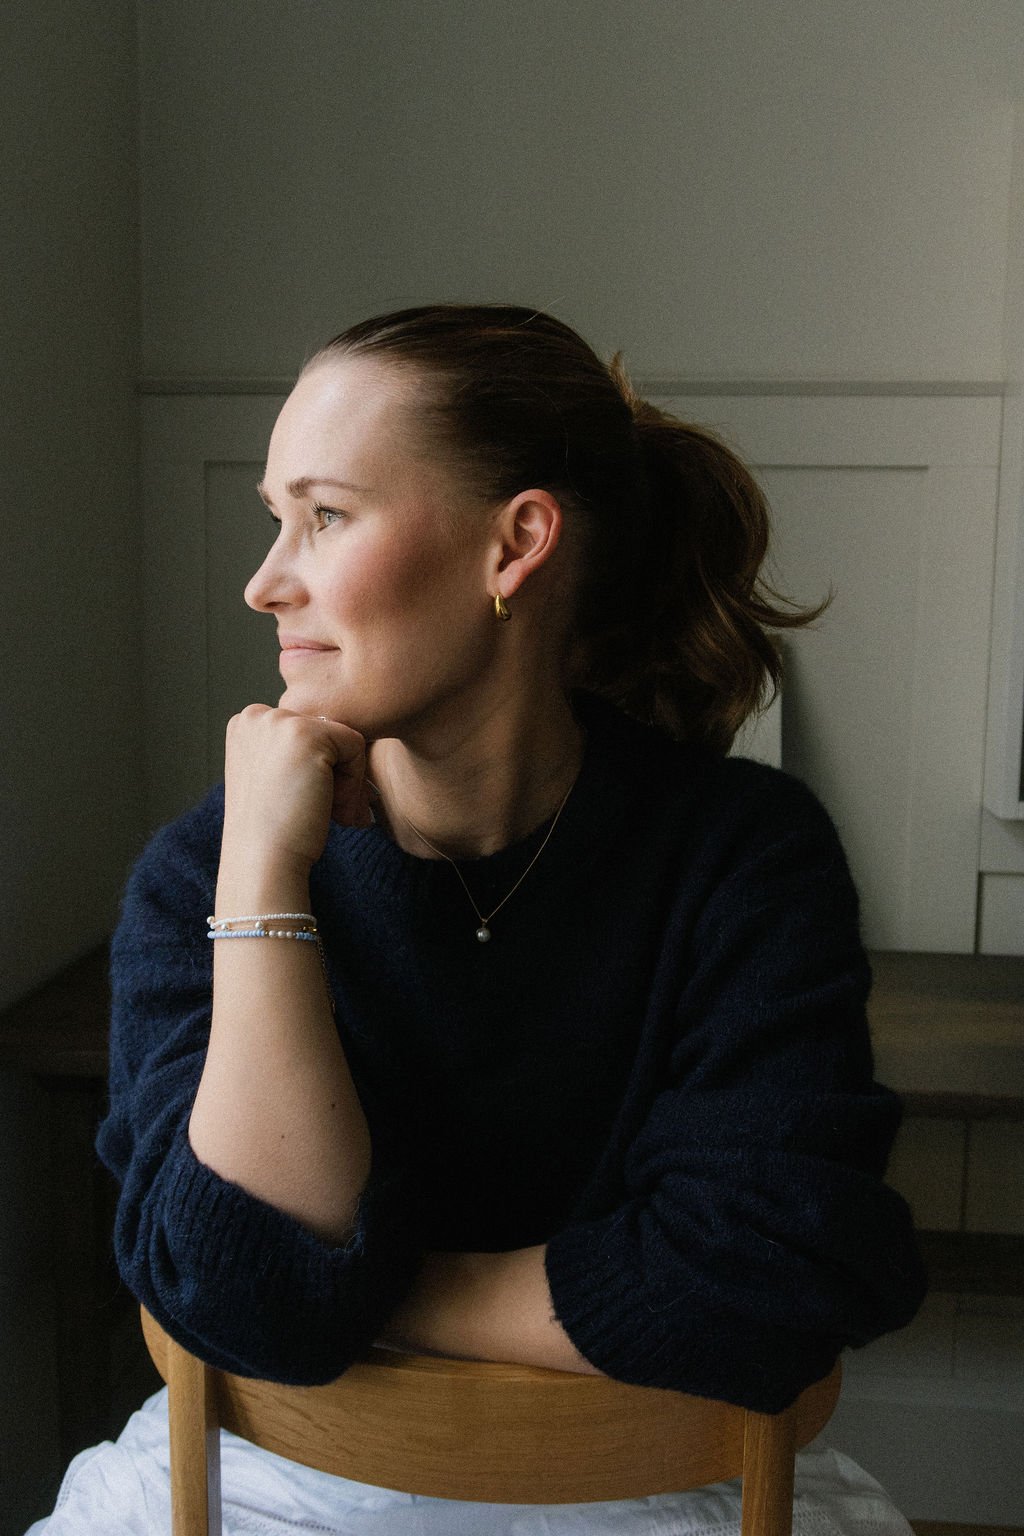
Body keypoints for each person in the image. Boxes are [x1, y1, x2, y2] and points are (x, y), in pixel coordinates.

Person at [28, 304, 928, 1535]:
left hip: (666, 1492)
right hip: (273, 1489)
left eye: (324, 515)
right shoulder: (207, 871)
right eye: (273, 518)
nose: (263, 582)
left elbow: (772, 1280)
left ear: (515, 546)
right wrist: (262, 882)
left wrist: (366, 1290)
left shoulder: (743, 857)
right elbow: (248, 1306)